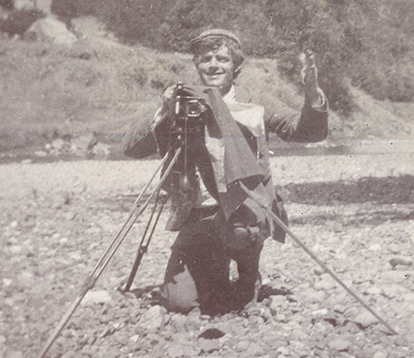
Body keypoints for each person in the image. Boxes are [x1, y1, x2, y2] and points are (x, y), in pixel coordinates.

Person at [123, 28, 328, 315]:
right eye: (206, 58)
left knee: (239, 239)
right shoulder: (184, 99)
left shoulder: (256, 100)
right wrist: (165, 108)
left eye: (223, 58)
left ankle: (247, 271)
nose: (214, 65)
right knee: (180, 302)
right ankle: (213, 270)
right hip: (199, 214)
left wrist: (312, 94)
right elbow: (131, 149)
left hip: (244, 211)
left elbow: (306, 132)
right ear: (196, 64)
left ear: (236, 65)